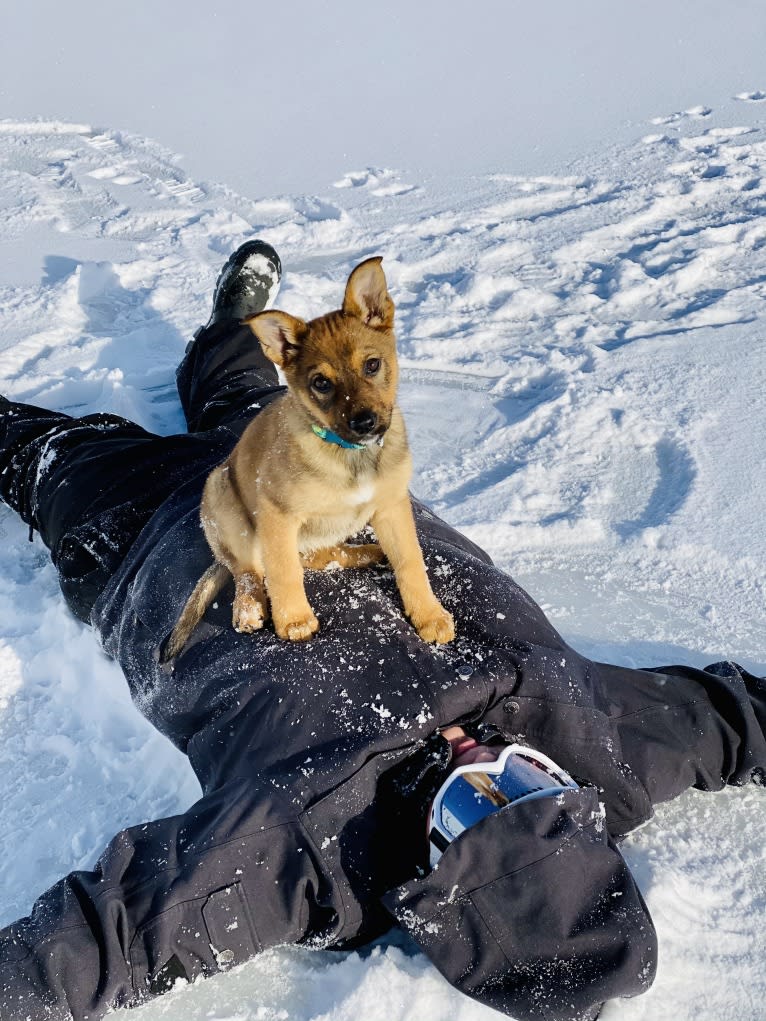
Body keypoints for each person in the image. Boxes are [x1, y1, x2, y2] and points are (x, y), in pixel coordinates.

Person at [0, 241, 763, 1021]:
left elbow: (112, 936)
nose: (482, 752)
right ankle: (235, 330)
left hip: (151, 538)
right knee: (248, 396)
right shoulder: (607, 741)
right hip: (311, 472)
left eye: (471, 802)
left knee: (50, 456)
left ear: (437, 864)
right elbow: (737, 719)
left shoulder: (303, 855)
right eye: (531, 775)